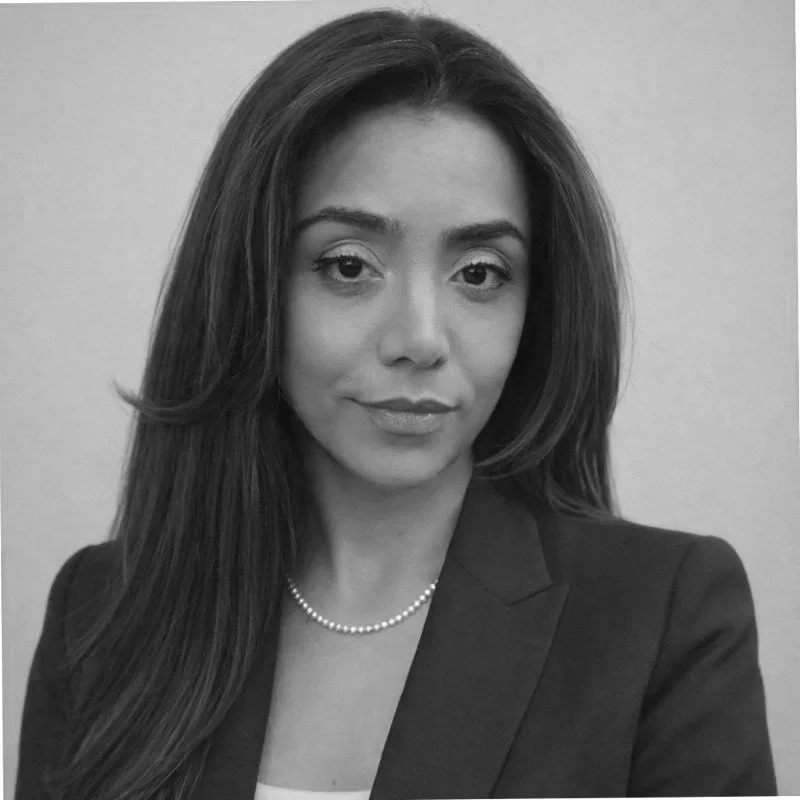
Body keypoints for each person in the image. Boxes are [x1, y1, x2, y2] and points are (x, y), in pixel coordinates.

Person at [15, 8, 777, 800]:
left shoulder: (663, 616)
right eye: (349, 264)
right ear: (252, 286)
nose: (420, 338)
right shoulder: (101, 615)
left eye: (479, 273)